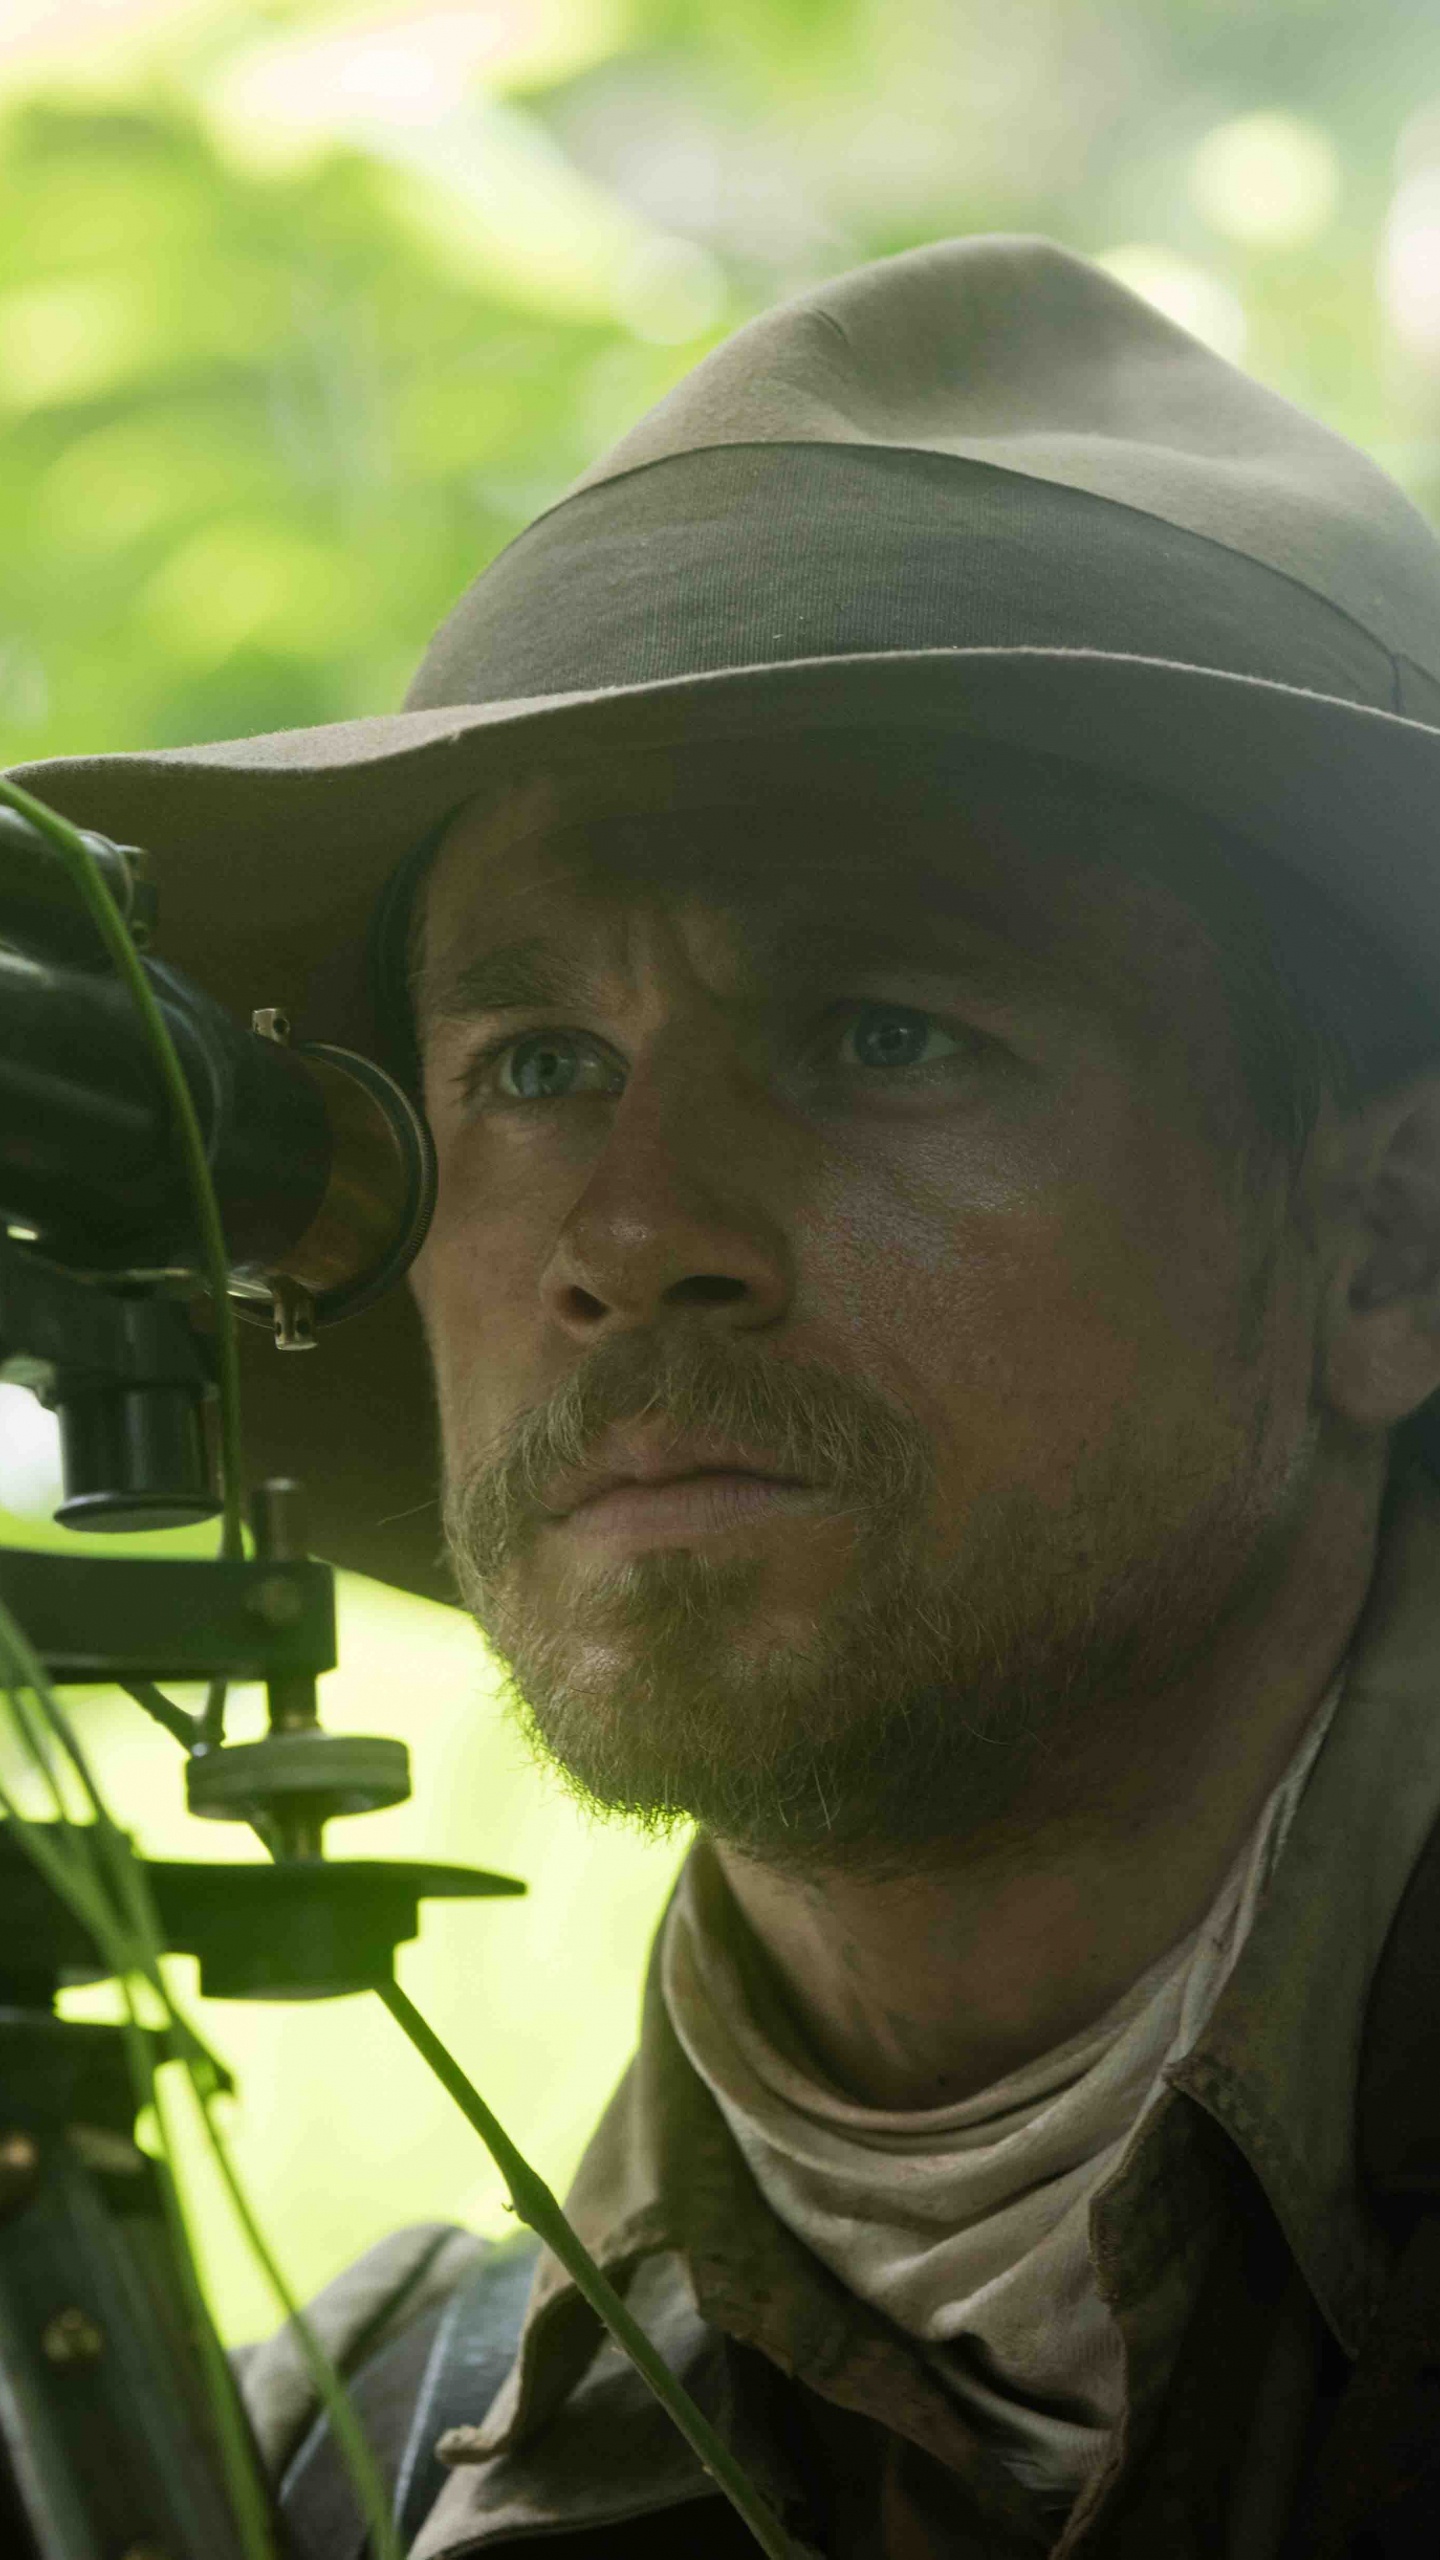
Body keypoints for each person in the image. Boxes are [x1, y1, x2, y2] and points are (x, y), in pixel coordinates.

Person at [21, 234, 1440, 2557]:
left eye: (885, 1032)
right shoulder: (333, 2467)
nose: (630, 1226)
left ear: (1389, 1241)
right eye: (539, 1061)